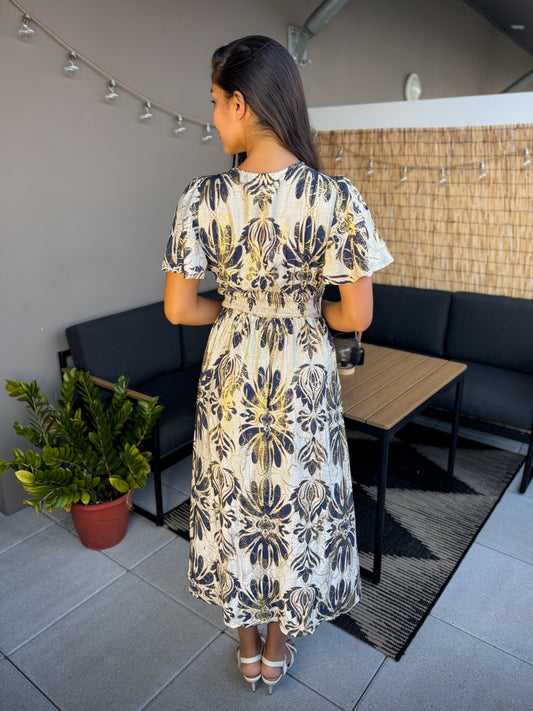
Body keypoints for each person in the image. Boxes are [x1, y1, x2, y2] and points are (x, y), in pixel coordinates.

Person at [162, 35, 393, 694]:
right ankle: (276, 640)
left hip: (232, 369)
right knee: (291, 499)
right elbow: (355, 316)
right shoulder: (335, 197)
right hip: (300, 374)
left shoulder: (201, 197)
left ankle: (246, 644)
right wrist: (302, 309)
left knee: (235, 499)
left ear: (239, 102)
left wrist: (238, 308)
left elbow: (179, 308)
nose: (213, 117)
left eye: (215, 102)